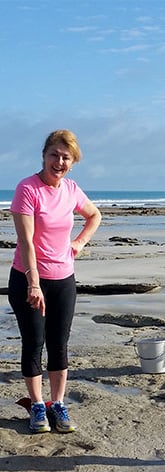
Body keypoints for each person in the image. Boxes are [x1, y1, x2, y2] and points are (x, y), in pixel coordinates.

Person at [9, 129, 102, 434]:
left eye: (66, 157)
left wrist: (79, 244)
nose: (59, 161)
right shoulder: (28, 189)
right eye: (54, 154)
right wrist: (34, 283)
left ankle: (58, 404)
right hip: (28, 280)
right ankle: (37, 406)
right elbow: (25, 241)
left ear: (73, 162)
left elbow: (94, 216)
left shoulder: (72, 189)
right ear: (44, 155)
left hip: (63, 279)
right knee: (34, 343)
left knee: (59, 344)